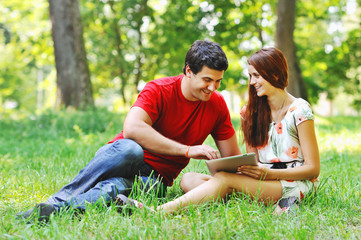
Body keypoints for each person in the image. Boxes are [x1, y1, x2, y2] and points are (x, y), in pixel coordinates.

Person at [16, 40, 241, 222]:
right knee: (131, 150)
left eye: (218, 81)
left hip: (155, 179)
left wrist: (249, 129)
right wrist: (187, 150)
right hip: (120, 158)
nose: (212, 88)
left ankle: (54, 211)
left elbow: (233, 159)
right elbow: (132, 128)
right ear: (189, 71)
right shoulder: (159, 89)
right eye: (207, 80)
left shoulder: (217, 104)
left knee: (116, 188)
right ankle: (59, 199)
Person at [118, 47, 320, 214]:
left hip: (293, 183)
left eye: (256, 76)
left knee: (224, 180)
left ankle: (157, 212)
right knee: (189, 179)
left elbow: (313, 169)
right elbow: (254, 160)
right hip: (263, 180)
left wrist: (268, 174)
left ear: (274, 74)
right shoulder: (249, 113)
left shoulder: (299, 110)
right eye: (250, 76)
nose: (252, 82)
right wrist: (247, 169)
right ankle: (267, 204)